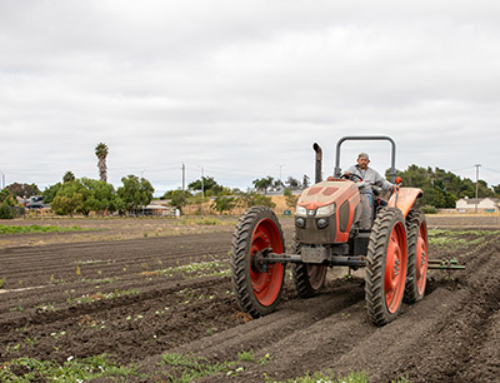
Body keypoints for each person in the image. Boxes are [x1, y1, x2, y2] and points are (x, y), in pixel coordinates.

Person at [344, 152, 396, 230]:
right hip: (353, 194)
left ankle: (365, 227)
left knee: (381, 204)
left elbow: (382, 182)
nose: (364, 162)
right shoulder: (352, 170)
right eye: (362, 160)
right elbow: (344, 178)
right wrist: (347, 175)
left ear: (368, 162)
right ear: (358, 161)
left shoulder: (373, 173)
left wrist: (393, 186)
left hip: (367, 195)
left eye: (365, 160)